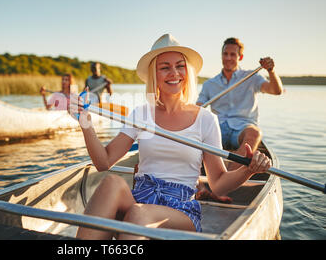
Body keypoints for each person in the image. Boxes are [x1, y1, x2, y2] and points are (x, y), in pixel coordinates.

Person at [70, 34, 272, 240]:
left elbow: (219, 183)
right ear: (154, 75)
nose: (174, 73)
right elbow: (103, 162)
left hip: (181, 210)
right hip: (141, 197)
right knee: (111, 183)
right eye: (165, 67)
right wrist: (84, 120)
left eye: (180, 66)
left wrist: (248, 169)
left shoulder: (206, 119)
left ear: (188, 71)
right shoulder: (141, 114)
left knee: (139, 213)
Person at [196, 37, 283, 171]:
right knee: (196, 130)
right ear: (221, 56)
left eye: (233, 54)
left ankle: (228, 176)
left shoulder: (252, 77)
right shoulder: (209, 84)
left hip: (242, 128)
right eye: (225, 54)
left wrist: (271, 71)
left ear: (240, 57)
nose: (228, 58)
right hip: (218, 128)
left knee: (255, 133)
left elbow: (276, 91)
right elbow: (198, 108)